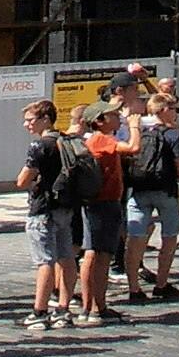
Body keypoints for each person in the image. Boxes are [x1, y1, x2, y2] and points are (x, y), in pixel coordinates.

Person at [121, 83, 179, 302]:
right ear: (163, 110)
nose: (176, 113)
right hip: (166, 190)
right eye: (174, 109)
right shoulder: (172, 134)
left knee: (135, 239)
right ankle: (161, 285)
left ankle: (134, 288)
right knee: (169, 239)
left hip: (139, 189)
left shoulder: (139, 130)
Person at [15, 100, 79, 334]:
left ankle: (39, 312)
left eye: (30, 120)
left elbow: (22, 181)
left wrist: (34, 181)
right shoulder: (66, 141)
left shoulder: (40, 146)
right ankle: (63, 309)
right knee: (67, 257)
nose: (26, 124)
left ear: (45, 119)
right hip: (66, 206)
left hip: (43, 207)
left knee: (44, 262)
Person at [73, 103, 128, 323]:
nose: (119, 117)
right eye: (114, 115)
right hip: (102, 203)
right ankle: (93, 307)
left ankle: (95, 305)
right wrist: (134, 126)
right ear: (100, 120)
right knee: (96, 253)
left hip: (104, 202)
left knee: (99, 253)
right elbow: (133, 147)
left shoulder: (98, 139)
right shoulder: (102, 139)